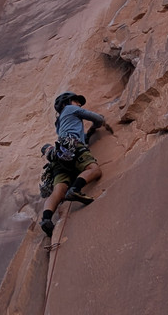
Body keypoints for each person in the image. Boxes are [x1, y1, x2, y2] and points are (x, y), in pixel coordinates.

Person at [39, 91, 113, 237]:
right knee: (94, 170)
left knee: (58, 191)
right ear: (66, 103)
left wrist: (88, 133)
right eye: (76, 101)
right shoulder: (70, 109)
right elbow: (96, 118)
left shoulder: (60, 122)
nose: (79, 104)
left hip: (59, 155)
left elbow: (77, 134)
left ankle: (46, 219)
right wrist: (98, 125)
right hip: (73, 148)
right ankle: (75, 189)